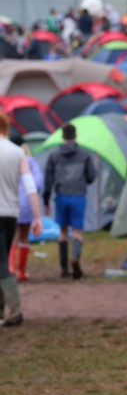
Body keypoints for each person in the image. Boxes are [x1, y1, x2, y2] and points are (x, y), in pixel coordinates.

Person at [0, 113, 42, 327]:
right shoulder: (17, 153)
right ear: (6, 128)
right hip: (10, 215)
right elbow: (30, 186)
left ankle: (14, 311)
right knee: (2, 258)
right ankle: (3, 310)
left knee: (0, 263)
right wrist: (37, 217)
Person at [43, 123, 96, 279]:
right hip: (78, 196)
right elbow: (92, 177)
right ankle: (75, 258)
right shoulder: (85, 155)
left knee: (63, 231)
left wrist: (46, 200)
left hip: (61, 196)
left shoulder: (54, 156)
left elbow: (48, 180)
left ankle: (64, 269)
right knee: (77, 231)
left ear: (62, 136)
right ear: (75, 136)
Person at [8, 136, 43, 282]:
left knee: (10, 238)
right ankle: (21, 271)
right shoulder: (30, 162)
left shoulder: (7, 160)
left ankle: (9, 270)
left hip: (10, 203)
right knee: (23, 237)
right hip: (27, 204)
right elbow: (38, 183)